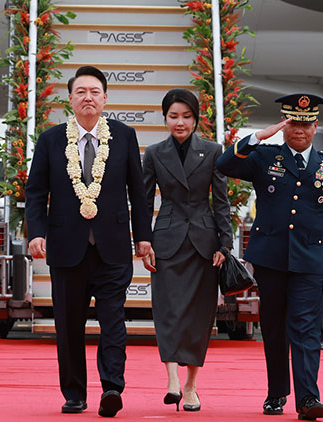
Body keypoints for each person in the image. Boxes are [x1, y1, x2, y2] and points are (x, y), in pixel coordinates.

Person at [216, 93, 323, 421]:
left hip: (309, 260)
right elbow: (223, 166)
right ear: (284, 124)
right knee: (274, 328)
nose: (300, 130)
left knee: (306, 329)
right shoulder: (264, 157)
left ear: (316, 126)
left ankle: (308, 398)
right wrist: (256, 137)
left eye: (306, 124)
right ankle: (276, 393)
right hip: (271, 260)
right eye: (293, 123)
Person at [25, 65, 152, 417]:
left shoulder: (124, 136)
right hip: (67, 250)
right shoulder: (51, 139)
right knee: (69, 327)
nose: (88, 98)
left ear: (105, 98)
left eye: (94, 92)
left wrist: (143, 237)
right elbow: (36, 192)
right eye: (81, 92)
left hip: (112, 248)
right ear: (70, 99)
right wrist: (35, 233)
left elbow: (138, 194)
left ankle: (112, 387)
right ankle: (75, 394)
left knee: (113, 321)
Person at [141, 88, 233, 412]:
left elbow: (220, 201)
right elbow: (142, 200)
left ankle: (192, 385)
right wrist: (143, 240)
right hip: (166, 241)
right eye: (173, 116)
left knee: (198, 315)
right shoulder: (153, 153)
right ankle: (171, 380)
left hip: (204, 245)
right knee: (167, 311)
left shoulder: (212, 151)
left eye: (186, 116)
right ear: (165, 118)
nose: (180, 122)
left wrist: (226, 243)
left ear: (195, 119)